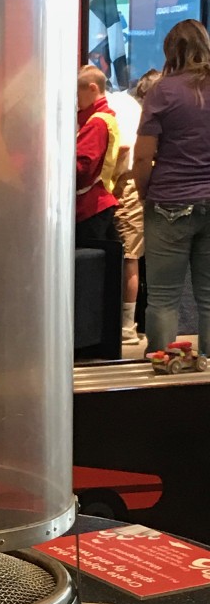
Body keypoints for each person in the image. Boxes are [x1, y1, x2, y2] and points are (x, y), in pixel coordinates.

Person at [133, 20, 210, 357]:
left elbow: (142, 156)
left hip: (169, 203)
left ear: (170, 50)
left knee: (164, 297)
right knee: (208, 296)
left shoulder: (162, 91)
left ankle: (163, 373)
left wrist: (144, 192)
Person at [107, 70, 161, 343]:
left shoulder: (123, 107)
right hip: (138, 184)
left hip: (127, 184)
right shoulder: (132, 109)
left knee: (129, 255)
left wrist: (117, 184)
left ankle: (127, 326)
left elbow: (127, 150)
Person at [75, 65, 121, 246]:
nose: (77, 101)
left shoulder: (96, 122)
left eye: (78, 94)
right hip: (99, 202)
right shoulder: (105, 118)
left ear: (92, 88)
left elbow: (82, 167)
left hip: (89, 206)